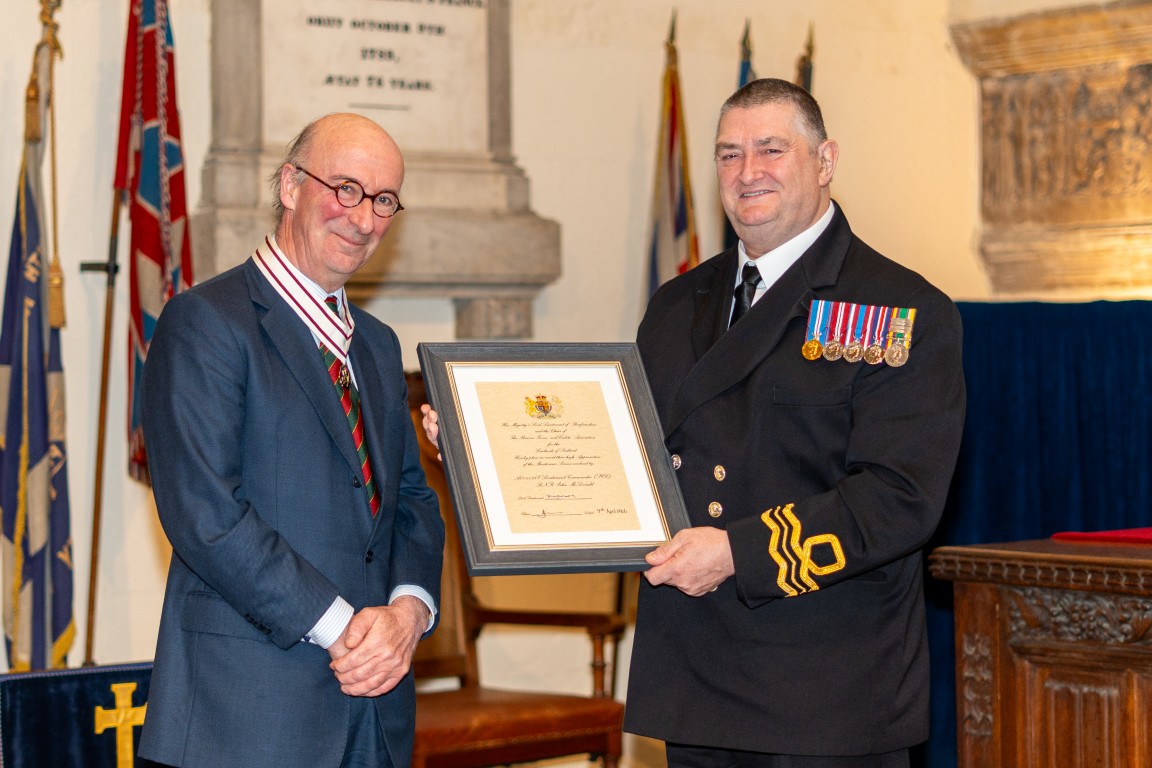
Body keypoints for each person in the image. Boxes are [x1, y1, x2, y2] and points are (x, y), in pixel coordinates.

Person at [422, 77, 965, 767]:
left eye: (771, 149)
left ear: (825, 161)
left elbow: (898, 500)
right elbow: (616, 458)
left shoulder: (898, 309)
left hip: (823, 689)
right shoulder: (679, 303)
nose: (748, 172)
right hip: (698, 672)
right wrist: (480, 442)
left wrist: (739, 552)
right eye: (728, 154)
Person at [138, 113, 445, 768]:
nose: (362, 219)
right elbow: (208, 519)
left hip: (374, 713)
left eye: (383, 200)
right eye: (345, 188)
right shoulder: (205, 323)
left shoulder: (380, 345)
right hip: (245, 717)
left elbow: (413, 501)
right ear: (289, 185)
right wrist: (344, 630)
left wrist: (407, 614)